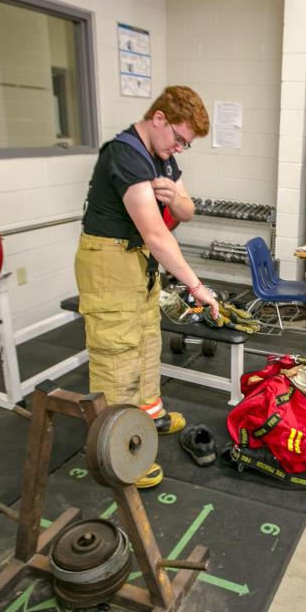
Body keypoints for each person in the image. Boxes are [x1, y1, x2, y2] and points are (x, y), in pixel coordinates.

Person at [75, 85, 218, 488]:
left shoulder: (162, 156)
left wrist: (174, 196)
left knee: (146, 341)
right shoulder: (125, 154)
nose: (179, 149)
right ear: (159, 119)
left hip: (139, 265)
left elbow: (187, 211)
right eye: (179, 139)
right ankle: (118, 456)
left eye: (185, 145)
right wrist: (197, 286)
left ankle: (149, 414)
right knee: (118, 355)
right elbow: (156, 234)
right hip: (110, 261)